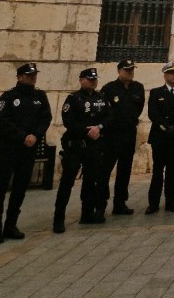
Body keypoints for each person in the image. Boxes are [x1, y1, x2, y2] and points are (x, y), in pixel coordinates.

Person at [0, 62, 52, 243]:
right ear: (19, 77)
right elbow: (3, 121)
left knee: (20, 188)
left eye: (34, 75)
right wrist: (23, 136)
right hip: (8, 148)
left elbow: (45, 118)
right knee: (0, 188)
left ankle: (11, 224)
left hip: (28, 149)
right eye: (28, 75)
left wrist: (36, 135)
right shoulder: (8, 97)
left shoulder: (40, 96)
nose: (32, 77)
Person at [53, 67, 111, 233]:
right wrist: (87, 130)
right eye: (89, 78)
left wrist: (99, 127)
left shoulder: (101, 97)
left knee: (91, 181)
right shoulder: (74, 98)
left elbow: (109, 116)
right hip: (76, 146)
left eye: (94, 79)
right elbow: (68, 122)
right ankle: (59, 218)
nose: (93, 81)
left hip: (94, 147)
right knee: (67, 182)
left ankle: (87, 213)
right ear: (81, 80)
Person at [100, 59, 145, 216]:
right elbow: (104, 111)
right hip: (112, 135)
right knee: (105, 170)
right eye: (127, 70)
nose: (130, 72)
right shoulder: (109, 89)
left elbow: (138, 109)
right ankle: (100, 204)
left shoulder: (138, 88)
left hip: (129, 134)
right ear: (119, 71)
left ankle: (120, 203)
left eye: (132, 69)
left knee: (124, 170)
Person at [146, 61, 174, 215]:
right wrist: (166, 127)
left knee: (172, 171)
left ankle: (171, 202)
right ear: (165, 75)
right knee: (157, 171)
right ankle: (153, 203)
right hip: (160, 136)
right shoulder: (156, 92)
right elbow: (153, 114)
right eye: (171, 73)